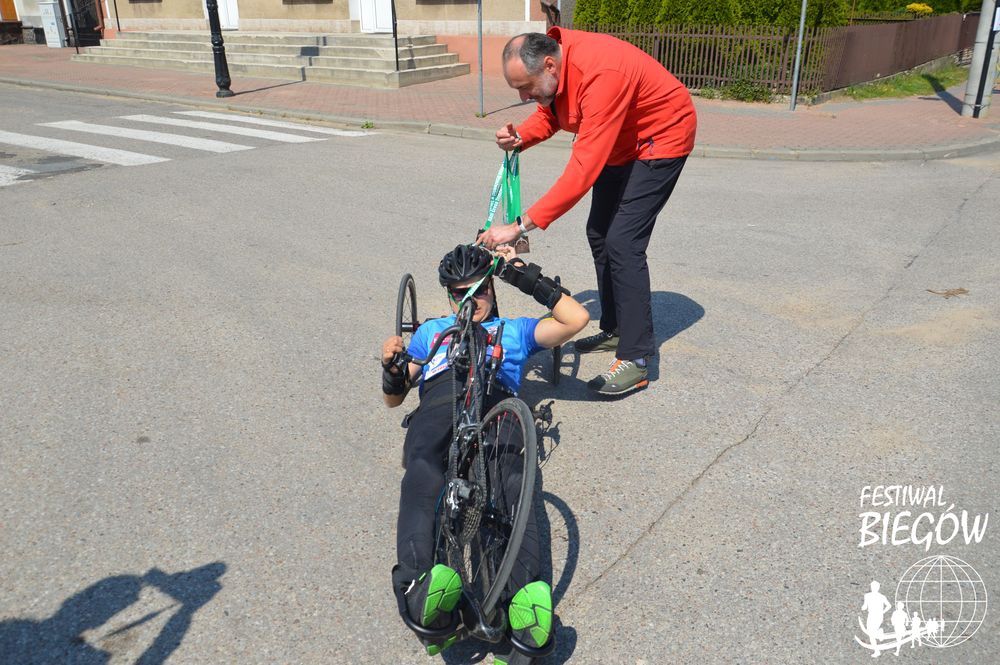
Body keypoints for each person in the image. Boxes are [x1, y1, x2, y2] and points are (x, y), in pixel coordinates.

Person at [381, 244, 589, 661]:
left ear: (492, 289)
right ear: (448, 296)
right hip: (439, 401)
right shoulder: (431, 332)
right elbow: (394, 398)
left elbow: (576, 319)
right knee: (422, 470)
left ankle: (526, 602)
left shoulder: (512, 330)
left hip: (496, 402)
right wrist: (391, 367)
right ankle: (420, 587)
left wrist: (519, 274)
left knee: (511, 482)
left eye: (479, 291)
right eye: (460, 293)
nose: (470, 300)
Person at [476, 28, 697, 395]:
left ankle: (637, 358)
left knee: (623, 241)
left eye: (525, 87)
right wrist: (521, 136)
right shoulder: (557, 69)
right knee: (599, 232)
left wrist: (519, 226)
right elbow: (552, 111)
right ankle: (616, 328)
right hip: (620, 141)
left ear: (549, 64)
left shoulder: (602, 74)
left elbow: (582, 171)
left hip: (661, 138)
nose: (523, 97)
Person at [861, 581, 892, 657]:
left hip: (876, 615)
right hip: (873, 615)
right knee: (870, 633)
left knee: (871, 634)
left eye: (875, 586)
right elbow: (865, 606)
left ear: (878, 587)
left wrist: (883, 612)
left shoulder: (880, 596)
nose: (873, 588)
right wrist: (882, 612)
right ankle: (877, 648)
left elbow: (889, 606)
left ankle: (879, 634)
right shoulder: (868, 596)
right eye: (872, 586)